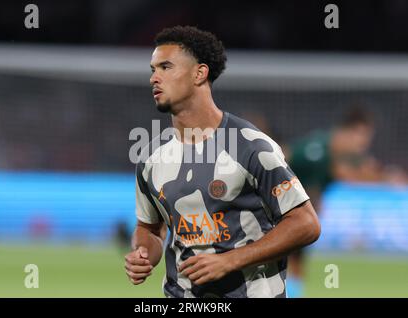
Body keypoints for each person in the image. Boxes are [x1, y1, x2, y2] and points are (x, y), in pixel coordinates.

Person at [124, 25, 321, 298]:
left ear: (199, 73)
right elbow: (150, 228)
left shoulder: (251, 146)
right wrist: (143, 252)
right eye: (153, 69)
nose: (154, 78)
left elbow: (305, 224)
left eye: (166, 67)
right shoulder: (149, 157)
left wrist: (230, 260)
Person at [286, 107, 407, 297]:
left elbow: (357, 172)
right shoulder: (313, 149)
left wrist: (389, 178)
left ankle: (293, 292)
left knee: (299, 253)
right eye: (362, 136)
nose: (364, 143)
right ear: (347, 132)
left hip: (297, 213)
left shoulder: (343, 158)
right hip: (273, 208)